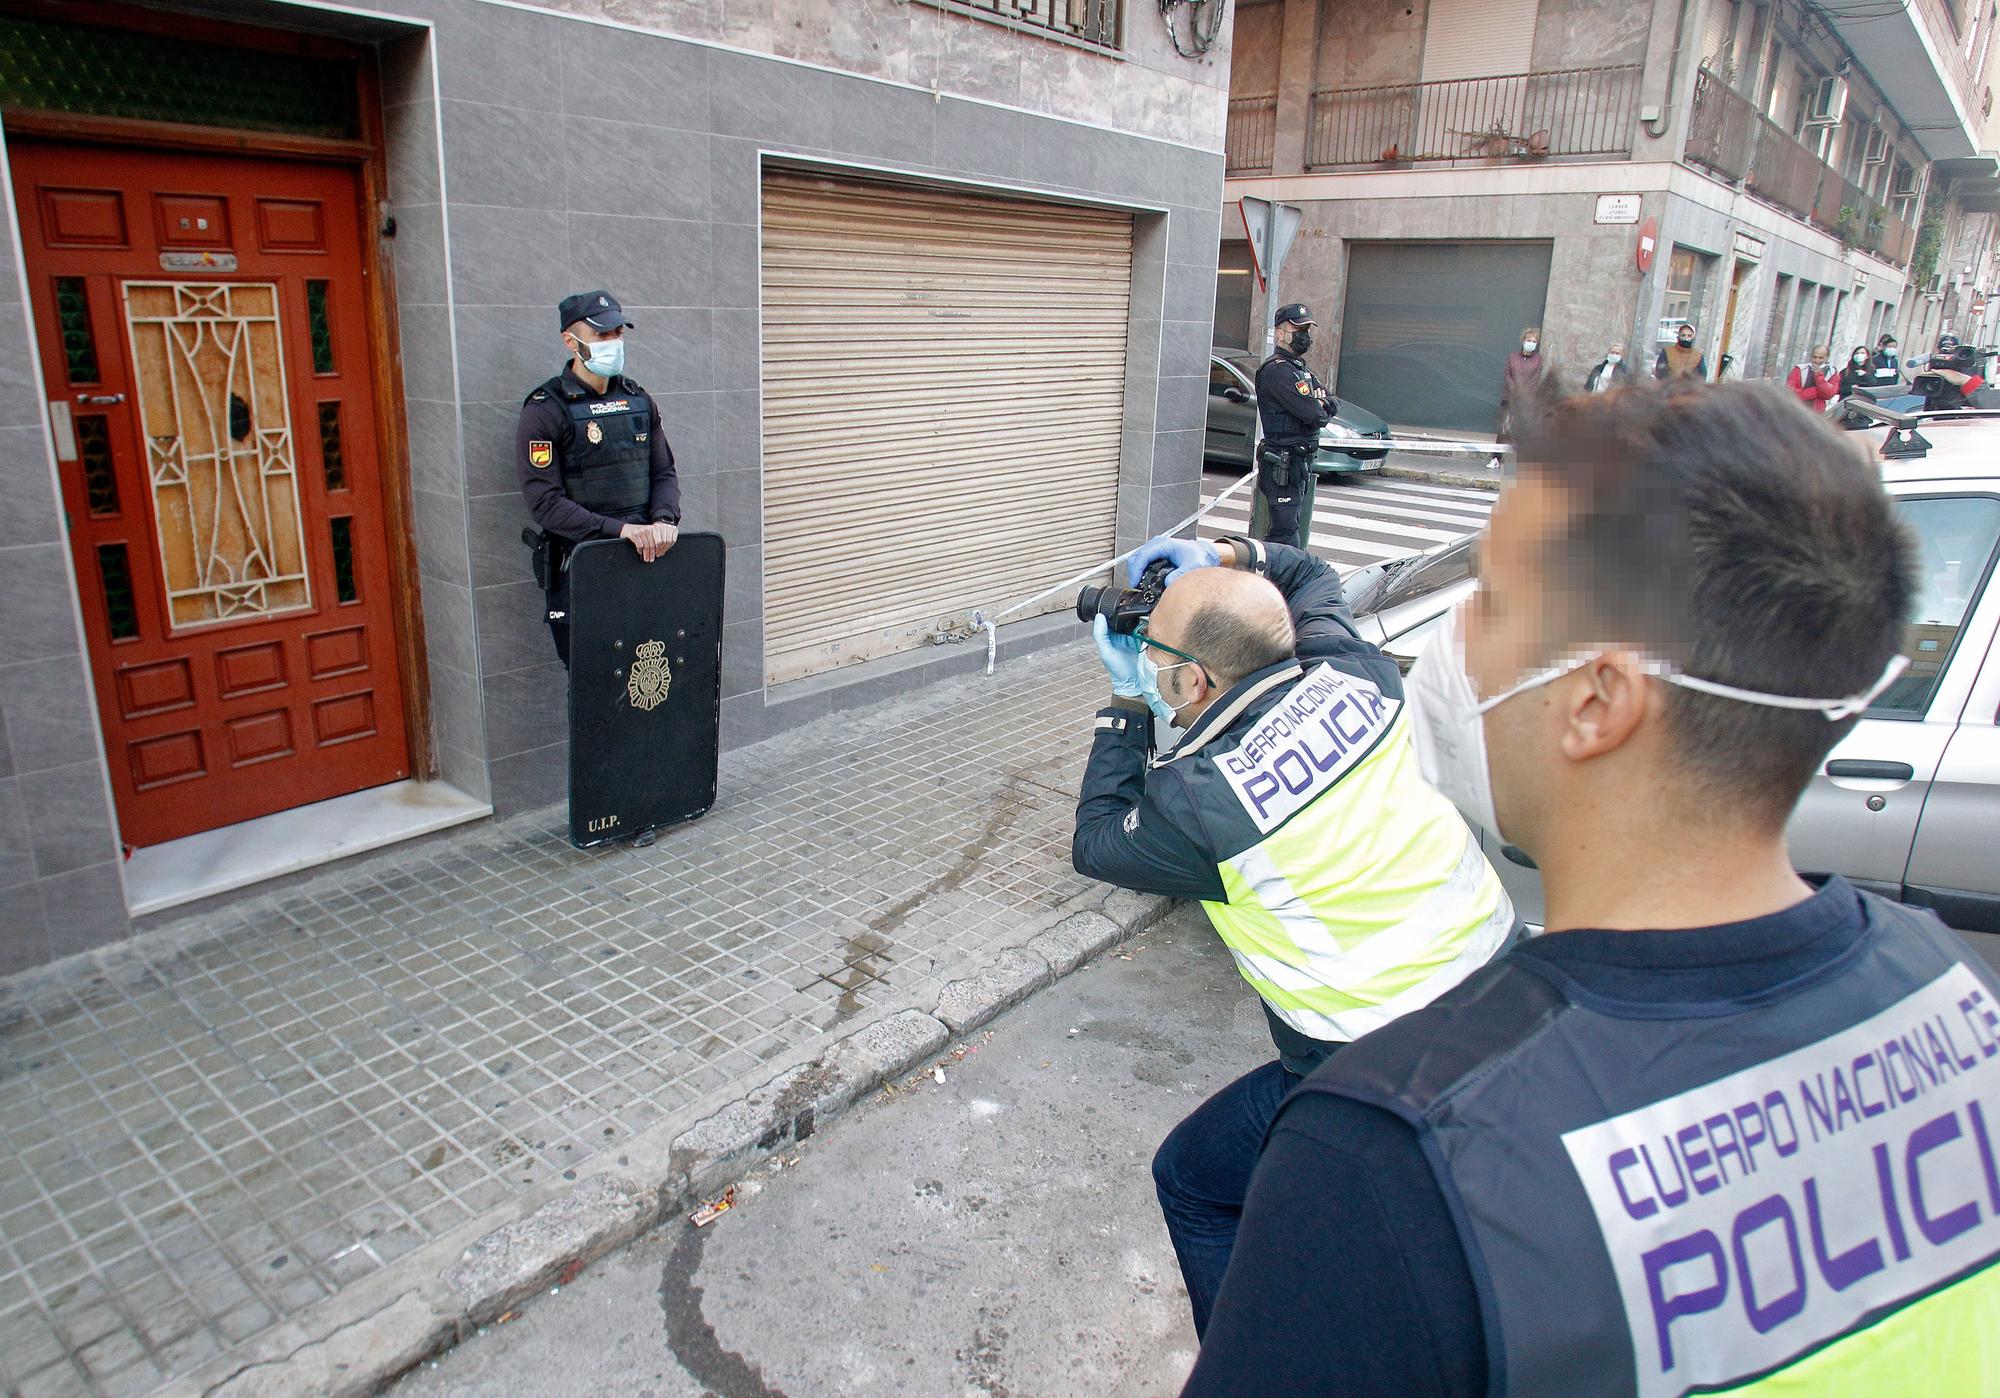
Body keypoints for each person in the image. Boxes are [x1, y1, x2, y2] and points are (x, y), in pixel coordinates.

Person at [1184, 381, 2000, 1397]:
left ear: (1595, 700)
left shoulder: (1396, 1157)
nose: (1453, 641)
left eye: (1492, 599)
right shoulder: (1952, 992)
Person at [1071, 534, 1516, 1340]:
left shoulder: (1200, 806)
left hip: (1373, 1063)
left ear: (1192, 680)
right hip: (1501, 996)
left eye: (1156, 653)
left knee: (1193, 1181)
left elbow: (1097, 842)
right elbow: (1308, 574)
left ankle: (1244, 1368)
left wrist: (1126, 704)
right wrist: (1225, 552)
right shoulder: (1358, 675)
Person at [517, 290, 680, 668]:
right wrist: (621, 530)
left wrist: (665, 519)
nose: (614, 343)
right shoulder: (546, 409)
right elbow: (545, 503)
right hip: (584, 571)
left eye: (618, 334)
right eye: (603, 336)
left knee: (652, 678)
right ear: (571, 342)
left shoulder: (638, 399)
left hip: (646, 565)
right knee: (596, 686)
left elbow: (664, 471)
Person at [1251, 304, 1330, 550]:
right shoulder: (1277, 372)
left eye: (1306, 329)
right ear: (1281, 333)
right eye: (1298, 329)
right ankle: (1273, 584)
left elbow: (1331, 401)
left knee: (1291, 528)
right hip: (1282, 466)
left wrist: (1321, 403)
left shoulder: (1299, 370)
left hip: (1299, 463)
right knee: (1285, 536)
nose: (1304, 335)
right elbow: (1314, 414)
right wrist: (1318, 404)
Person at [1500, 326, 1546, 438]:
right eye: (1529, 340)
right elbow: (1507, 374)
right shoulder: (1512, 357)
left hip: (1526, 400)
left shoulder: (1538, 360)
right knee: (1504, 427)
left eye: (1534, 341)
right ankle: (1497, 455)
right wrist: (1514, 389)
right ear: (1523, 341)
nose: (1531, 343)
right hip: (1510, 398)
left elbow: (1536, 378)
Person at [1785, 344, 1838, 410]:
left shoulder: (1832, 372)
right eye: (1814, 357)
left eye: (1821, 358)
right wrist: (1815, 392)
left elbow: (1828, 394)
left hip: (1817, 412)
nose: (1816, 361)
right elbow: (1789, 392)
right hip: (1797, 409)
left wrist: (1819, 376)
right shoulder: (1799, 369)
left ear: (1827, 357)